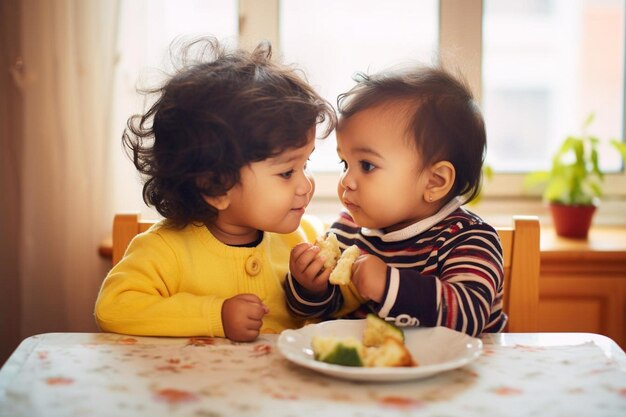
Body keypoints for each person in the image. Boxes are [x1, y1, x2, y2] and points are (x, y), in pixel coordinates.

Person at [94, 37, 336, 342]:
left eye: (306, 163)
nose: (305, 185)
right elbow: (114, 308)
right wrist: (215, 316)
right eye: (287, 172)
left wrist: (315, 289)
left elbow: (351, 307)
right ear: (215, 187)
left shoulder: (306, 237)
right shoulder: (165, 251)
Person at [285, 65, 507, 337]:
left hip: (457, 375)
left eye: (366, 166)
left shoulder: (468, 239)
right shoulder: (348, 230)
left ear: (434, 181)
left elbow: (469, 316)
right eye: (345, 164)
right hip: (367, 371)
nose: (347, 181)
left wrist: (389, 285)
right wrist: (311, 287)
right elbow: (327, 311)